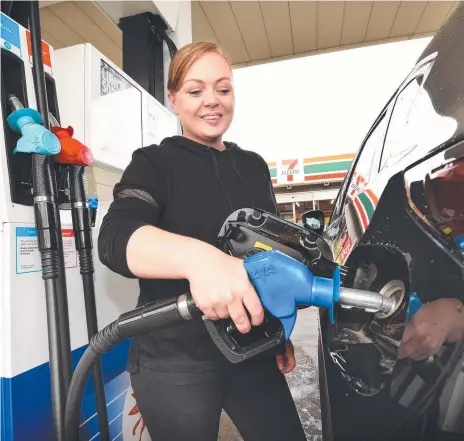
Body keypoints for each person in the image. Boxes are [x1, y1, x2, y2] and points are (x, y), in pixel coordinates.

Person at [98, 41, 307, 441]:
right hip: (175, 360)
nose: (212, 101)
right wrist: (202, 261)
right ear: (173, 99)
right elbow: (115, 237)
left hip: (253, 349)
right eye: (195, 91)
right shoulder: (152, 163)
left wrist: (281, 331)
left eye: (223, 89)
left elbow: (271, 256)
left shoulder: (254, 166)